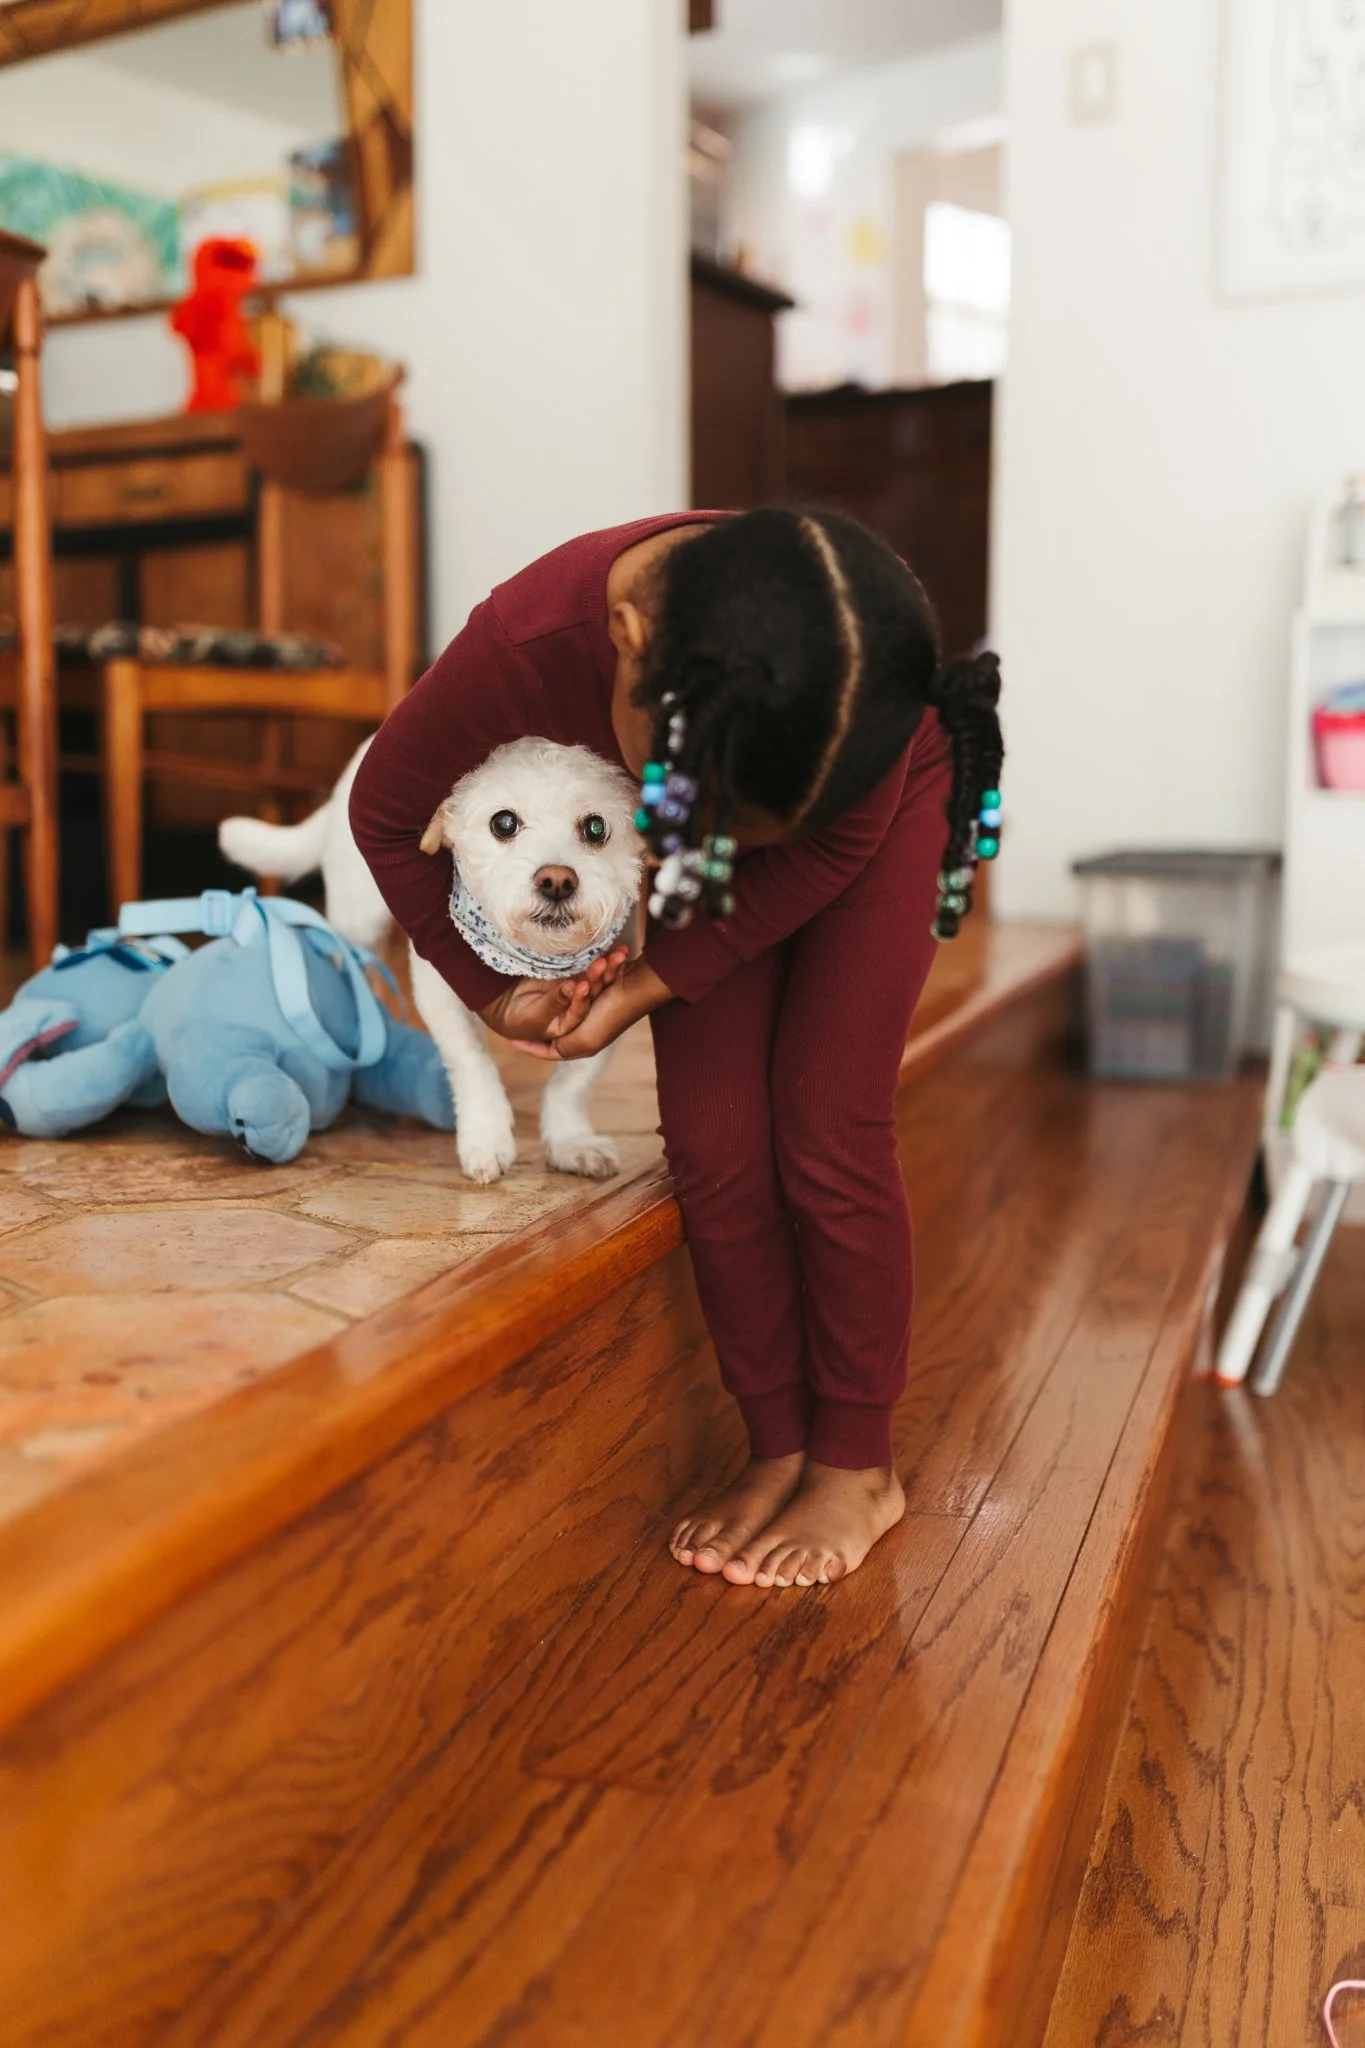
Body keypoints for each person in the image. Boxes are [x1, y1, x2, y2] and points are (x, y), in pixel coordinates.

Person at [350, 508, 1003, 1588]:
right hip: (722, 813)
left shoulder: (859, 708)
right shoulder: (523, 647)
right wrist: (496, 992)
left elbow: (819, 846)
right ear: (627, 642)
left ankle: (854, 1459)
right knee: (713, 1135)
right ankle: (777, 1440)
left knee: (825, 1115)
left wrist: (654, 977)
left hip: (863, 810)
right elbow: (383, 812)